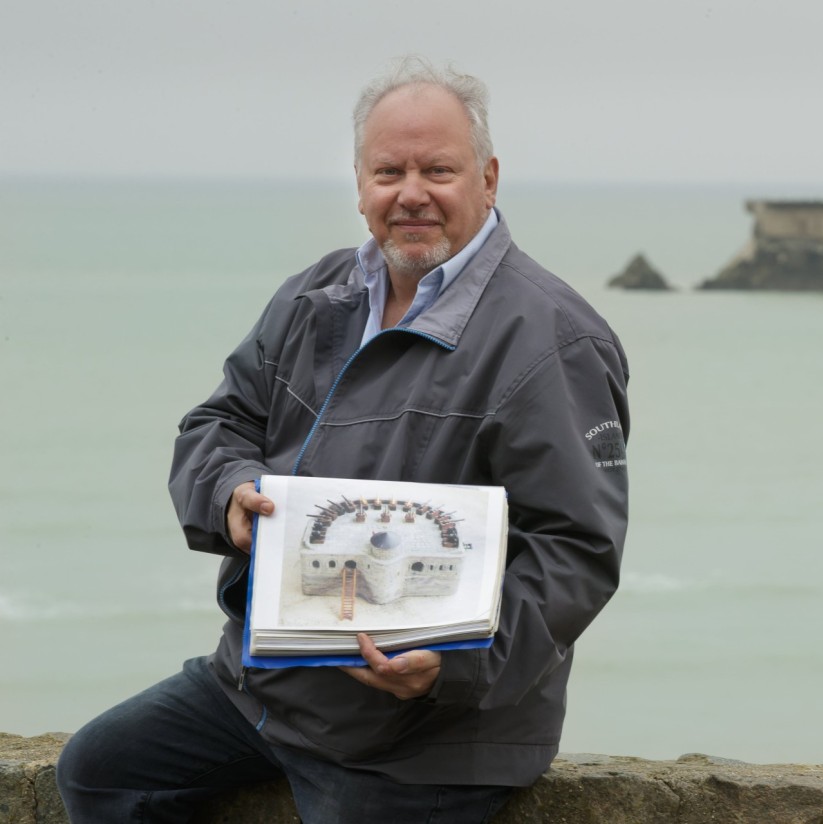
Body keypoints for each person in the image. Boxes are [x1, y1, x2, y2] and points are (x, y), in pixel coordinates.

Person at [56, 56, 630, 823]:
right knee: (100, 772)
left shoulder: (552, 339)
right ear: (360, 184)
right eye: (389, 170)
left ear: (488, 180)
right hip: (264, 684)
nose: (412, 193)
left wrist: (452, 666)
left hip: (427, 737)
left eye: (439, 169)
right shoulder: (314, 296)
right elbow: (216, 423)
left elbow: (575, 551)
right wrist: (225, 490)